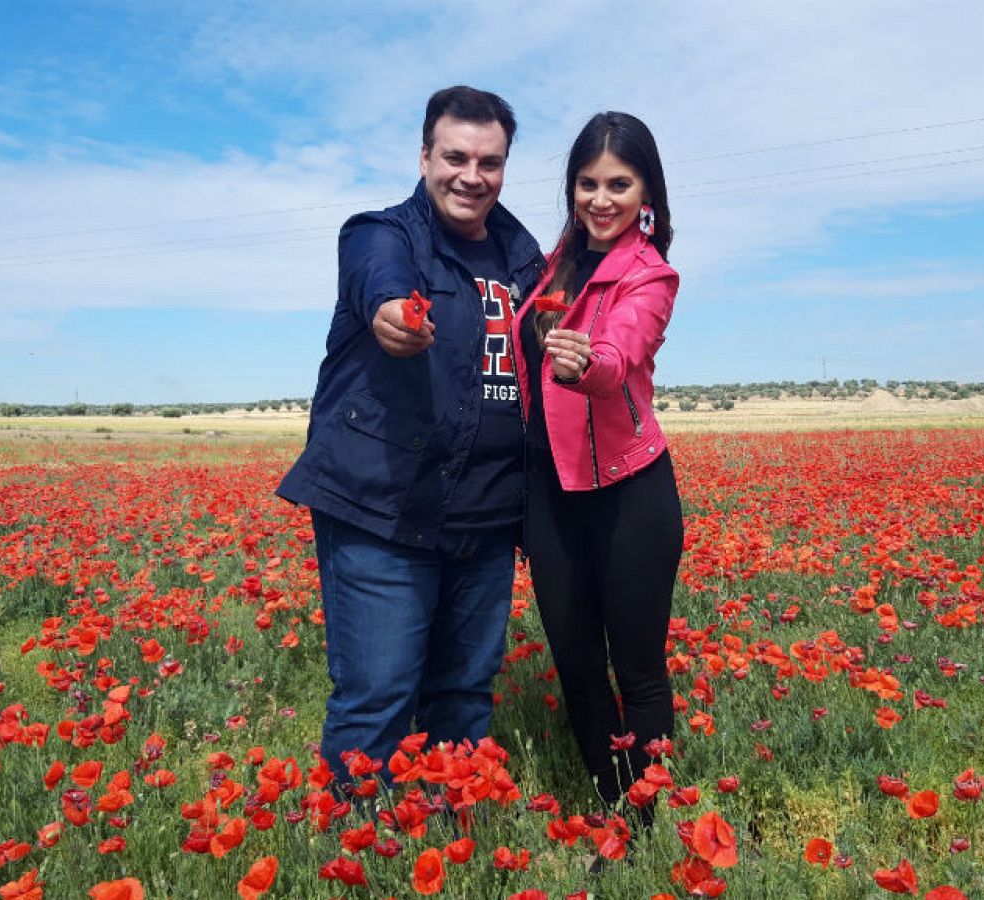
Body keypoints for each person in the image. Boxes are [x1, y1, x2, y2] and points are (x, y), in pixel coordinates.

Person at [276, 86, 545, 786]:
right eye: (455, 156)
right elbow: (381, 285)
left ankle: (447, 839)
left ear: (505, 166)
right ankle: (364, 856)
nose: (471, 175)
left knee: (463, 697)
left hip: (487, 520)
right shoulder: (381, 233)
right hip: (384, 513)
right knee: (378, 702)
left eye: (489, 161)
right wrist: (393, 315)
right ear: (424, 156)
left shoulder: (524, 260)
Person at [508, 112, 682, 813]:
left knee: (636, 672)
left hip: (629, 495)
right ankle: (614, 810)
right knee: (577, 667)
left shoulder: (652, 276)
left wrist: (587, 365)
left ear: (647, 194)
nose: (600, 199)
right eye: (587, 183)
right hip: (552, 494)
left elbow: (622, 356)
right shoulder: (556, 262)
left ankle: (643, 818)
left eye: (619, 184)